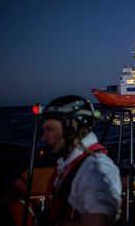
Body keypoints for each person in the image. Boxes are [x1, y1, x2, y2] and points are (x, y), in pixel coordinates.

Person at [40, 95, 122, 225]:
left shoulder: (96, 167)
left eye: (50, 129)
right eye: (44, 130)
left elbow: (100, 218)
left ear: (72, 128)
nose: (44, 138)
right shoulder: (71, 163)